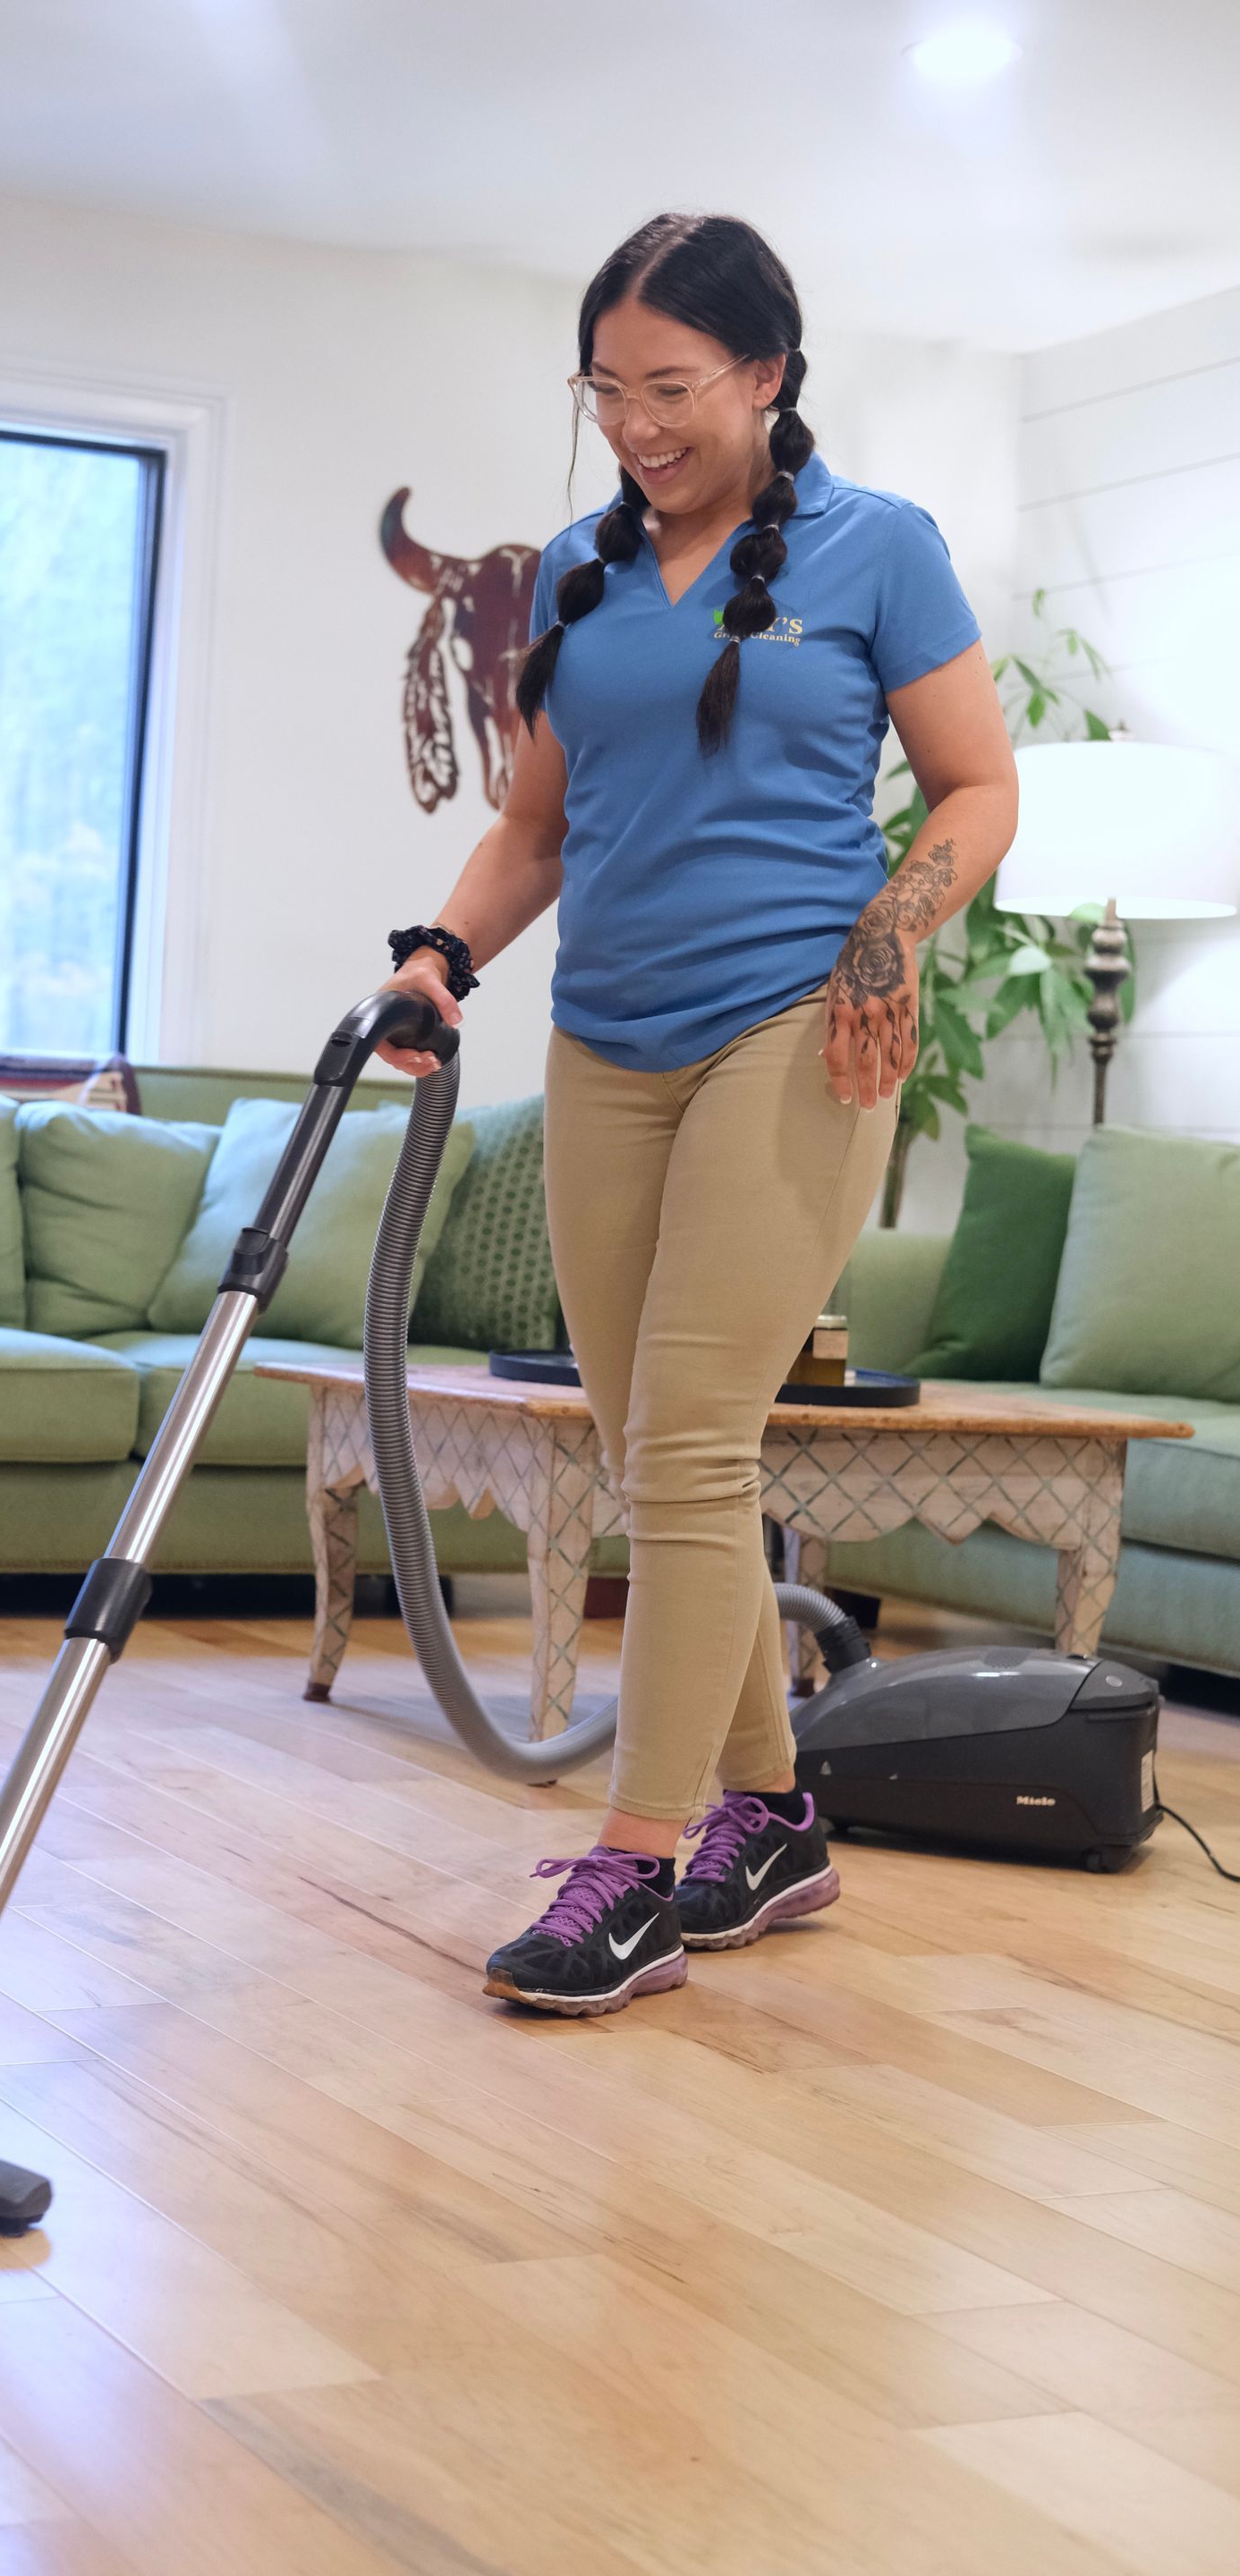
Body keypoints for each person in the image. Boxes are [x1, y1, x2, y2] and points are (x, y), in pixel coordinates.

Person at [378, 212, 1017, 2016]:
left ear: (767, 376)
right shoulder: (581, 572)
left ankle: (637, 1865)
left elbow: (978, 784)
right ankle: (770, 1816)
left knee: (691, 1440)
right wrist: (444, 955)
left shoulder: (877, 548)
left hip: (797, 1027)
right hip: (607, 1039)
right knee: (648, 1430)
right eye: (607, 390)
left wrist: (892, 935)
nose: (636, 425)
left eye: (672, 388)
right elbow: (533, 831)